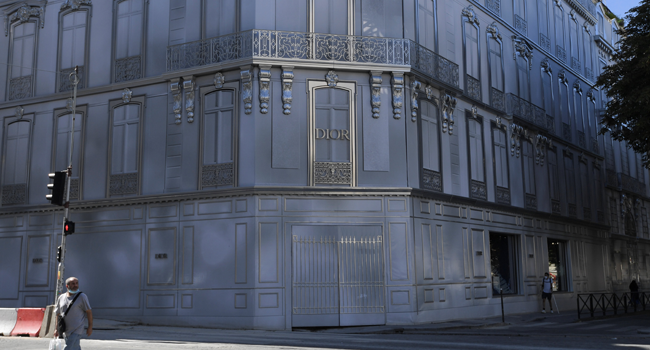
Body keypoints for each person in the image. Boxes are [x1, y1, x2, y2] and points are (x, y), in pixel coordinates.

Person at [54, 277, 93, 350]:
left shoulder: (82, 296)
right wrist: (56, 329)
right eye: (73, 284)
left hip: (77, 329)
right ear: (67, 286)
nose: (75, 285)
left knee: (68, 347)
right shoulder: (61, 297)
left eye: (76, 283)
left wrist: (90, 327)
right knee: (75, 348)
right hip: (65, 330)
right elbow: (58, 314)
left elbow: (89, 312)